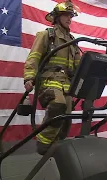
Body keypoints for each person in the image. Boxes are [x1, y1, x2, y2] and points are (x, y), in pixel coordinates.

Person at [23, 1, 81, 155]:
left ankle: (55, 150)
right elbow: (33, 58)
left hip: (67, 86)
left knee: (65, 119)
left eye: (71, 16)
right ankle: (43, 143)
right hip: (49, 81)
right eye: (66, 15)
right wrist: (29, 77)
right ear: (56, 17)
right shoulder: (46, 35)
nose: (70, 18)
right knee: (58, 105)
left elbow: (78, 66)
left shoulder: (74, 42)